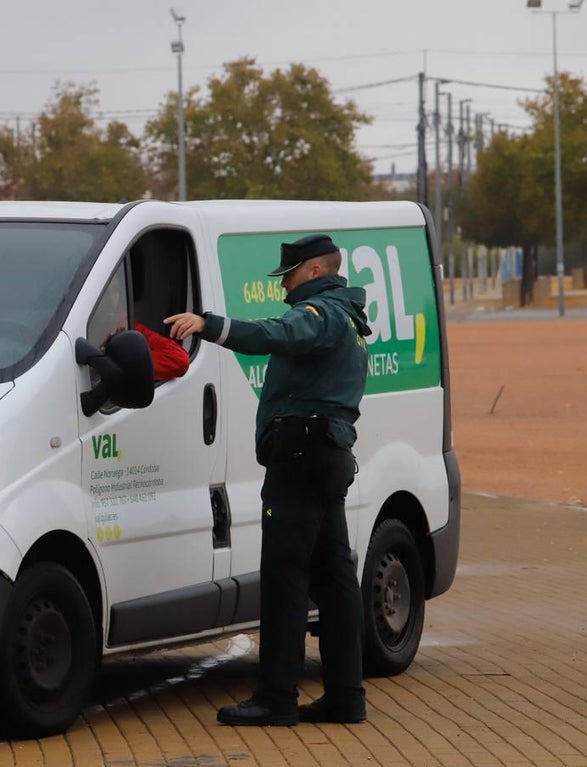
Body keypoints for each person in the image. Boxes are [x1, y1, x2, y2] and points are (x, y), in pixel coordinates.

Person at [165, 233, 371, 727]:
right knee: (336, 581)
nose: (284, 287)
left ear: (316, 271)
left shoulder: (319, 314)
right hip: (326, 457)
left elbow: (277, 335)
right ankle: (346, 697)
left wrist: (209, 325)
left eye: (291, 275)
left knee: (285, 582)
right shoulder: (348, 317)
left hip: (300, 460)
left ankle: (276, 698)